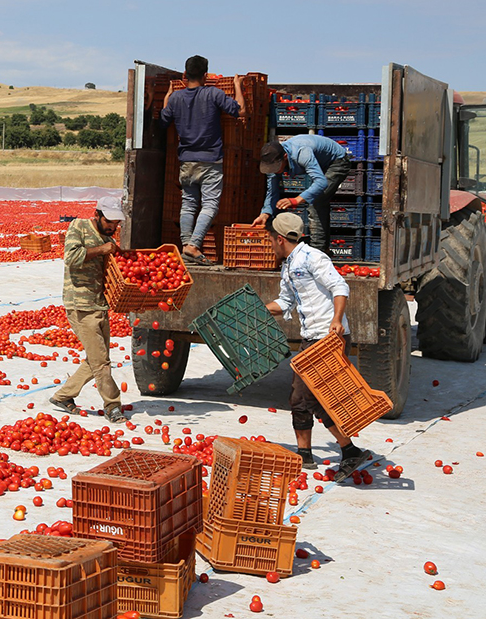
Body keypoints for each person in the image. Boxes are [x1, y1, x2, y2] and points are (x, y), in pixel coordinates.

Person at [264, 212, 372, 481]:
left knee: (314, 396)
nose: (270, 245)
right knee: (298, 397)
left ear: (279, 239)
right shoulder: (288, 266)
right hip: (310, 338)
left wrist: (337, 320)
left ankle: (350, 449)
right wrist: (258, 311)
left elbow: (340, 286)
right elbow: (285, 302)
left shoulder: (313, 257)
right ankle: (305, 454)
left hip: (328, 338)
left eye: (270, 240)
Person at [159, 55, 245, 266]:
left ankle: (186, 245)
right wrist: (237, 86)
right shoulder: (214, 93)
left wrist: (166, 99)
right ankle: (194, 245)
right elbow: (240, 110)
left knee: (188, 204)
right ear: (206, 75)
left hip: (186, 161)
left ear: (184, 75)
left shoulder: (177, 99)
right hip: (210, 160)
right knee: (209, 205)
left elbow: (163, 121)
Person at [49, 196, 125, 422]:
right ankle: (112, 405)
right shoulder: (79, 226)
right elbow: (71, 257)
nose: (114, 226)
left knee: (96, 359)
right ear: (98, 214)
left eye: (117, 223)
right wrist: (102, 249)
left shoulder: (107, 237)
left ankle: (63, 396)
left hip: (99, 303)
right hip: (80, 305)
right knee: (101, 361)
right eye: (110, 221)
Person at [252, 134, 354, 254]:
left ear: (284, 157)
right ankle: (324, 249)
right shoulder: (273, 161)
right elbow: (272, 191)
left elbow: (321, 182)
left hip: (337, 161)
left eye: (276, 167)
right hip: (319, 162)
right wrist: (265, 213)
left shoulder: (301, 153)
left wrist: (296, 200)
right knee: (318, 202)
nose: (274, 170)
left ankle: (317, 253)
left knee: (316, 202)